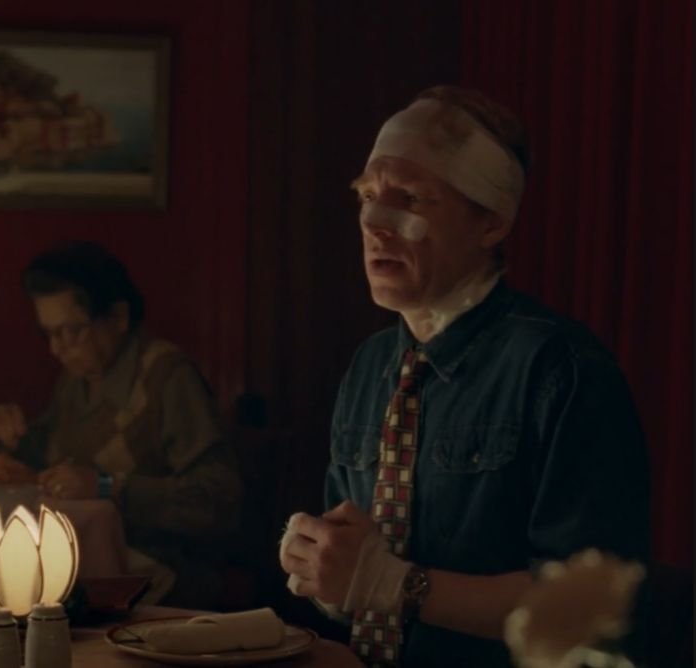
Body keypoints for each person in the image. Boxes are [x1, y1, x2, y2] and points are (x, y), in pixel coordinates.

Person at [278, 86, 650, 667]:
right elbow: (359, 572)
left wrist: (397, 585)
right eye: (367, 196)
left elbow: (591, 606)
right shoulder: (371, 365)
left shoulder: (563, 370)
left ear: (492, 223)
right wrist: (327, 572)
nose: (374, 223)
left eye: (410, 199)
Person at [0, 241, 242, 608]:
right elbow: (49, 459)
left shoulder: (167, 377)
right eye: (49, 333)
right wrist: (9, 438)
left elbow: (220, 499)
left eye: (72, 330)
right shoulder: (77, 379)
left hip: (163, 572)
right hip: (84, 557)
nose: (57, 348)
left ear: (118, 317)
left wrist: (107, 487)